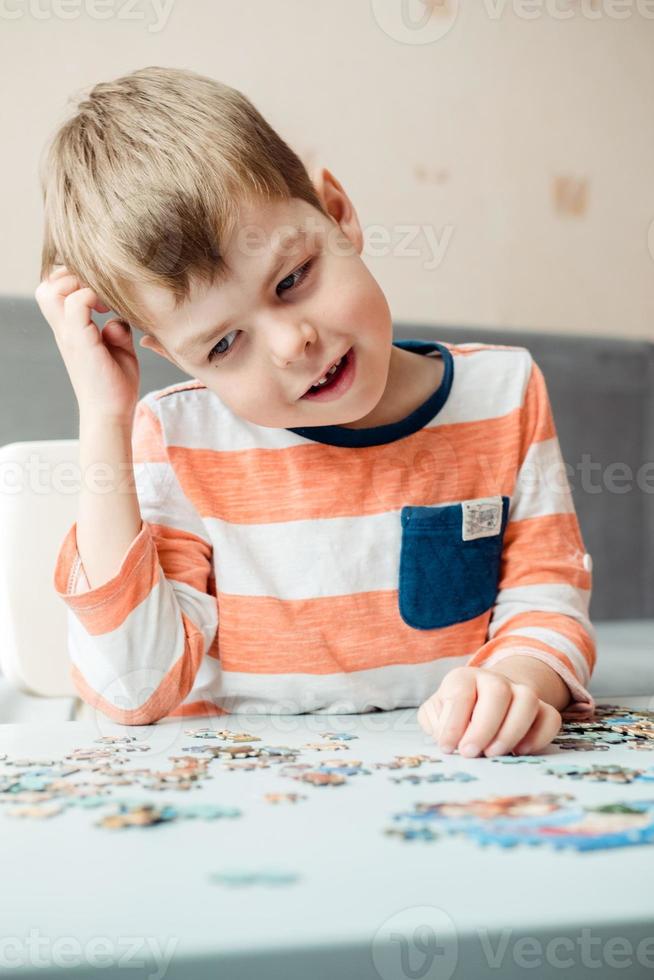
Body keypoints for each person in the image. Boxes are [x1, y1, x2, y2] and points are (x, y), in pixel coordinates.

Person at [34, 66, 596, 755]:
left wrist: (518, 682)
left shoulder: (505, 395)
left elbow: (547, 597)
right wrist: (104, 416)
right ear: (176, 359)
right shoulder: (176, 436)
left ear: (337, 213)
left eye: (293, 279)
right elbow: (132, 689)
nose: (290, 344)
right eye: (223, 344)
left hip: (452, 789)